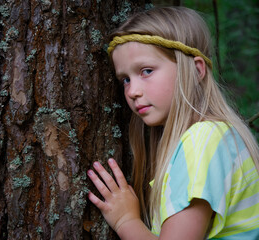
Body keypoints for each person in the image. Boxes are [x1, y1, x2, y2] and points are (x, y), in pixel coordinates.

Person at [87, 6, 259, 240]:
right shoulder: (213, 137)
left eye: (146, 71)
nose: (133, 91)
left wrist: (125, 220)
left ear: (197, 70)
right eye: (125, 79)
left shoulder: (202, 141)